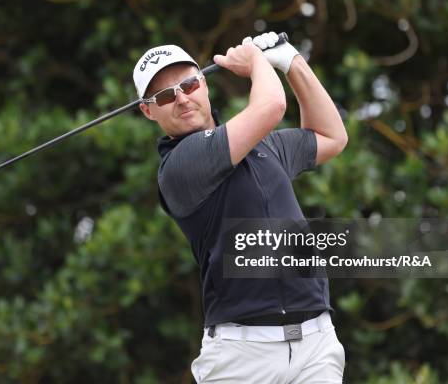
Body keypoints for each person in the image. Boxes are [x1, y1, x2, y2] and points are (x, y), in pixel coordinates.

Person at [133, 32, 348, 383]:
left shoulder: (265, 147)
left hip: (315, 345)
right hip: (242, 358)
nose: (182, 99)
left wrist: (292, 61)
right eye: (165, 95)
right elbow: (271, 107)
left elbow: (332, 137)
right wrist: (256, 62)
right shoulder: (179, 166)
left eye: (187, 85)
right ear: (148, 110)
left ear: (203, 83)